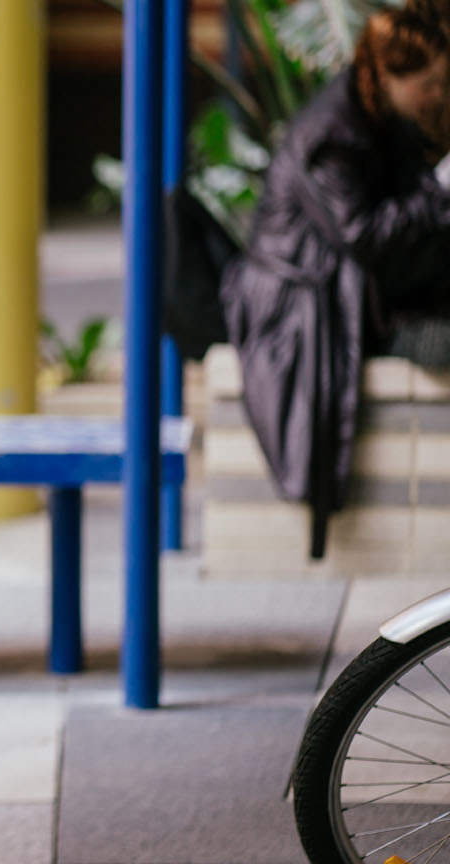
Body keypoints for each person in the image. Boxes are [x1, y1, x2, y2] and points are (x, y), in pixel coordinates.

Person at [219, 7, 450, 559]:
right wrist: (443, 187)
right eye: (430, 83)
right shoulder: (332, 134)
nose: (438, 95)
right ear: (391, 75)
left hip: (348, 292)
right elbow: (365, 235)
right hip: (300, 308)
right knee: (442, 341)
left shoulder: (376, 115)